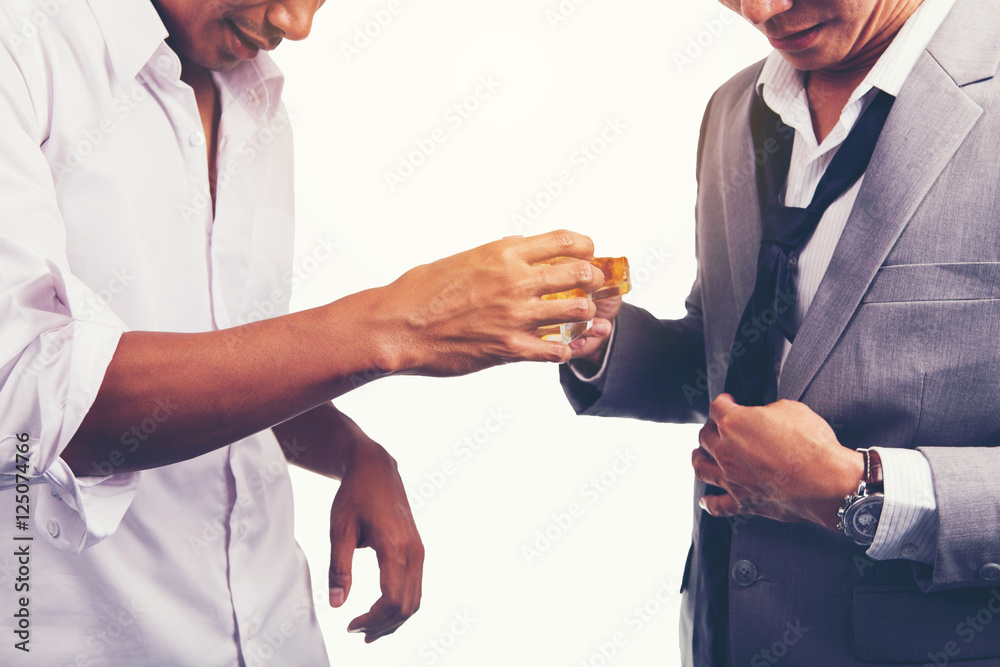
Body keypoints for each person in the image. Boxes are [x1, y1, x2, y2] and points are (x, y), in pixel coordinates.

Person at [0, 0, 606, 663]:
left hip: (281, 629)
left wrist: (352, 449)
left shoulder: (257, 97)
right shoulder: (21, 48)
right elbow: (34, 402)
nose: (297, 23)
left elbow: (234, 350)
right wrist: (401, 322)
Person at [562, 0, 1000, 664]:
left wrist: (857, 490)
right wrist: (603, 338)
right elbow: (733, 353)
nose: (764, 11)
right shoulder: (732, 109)